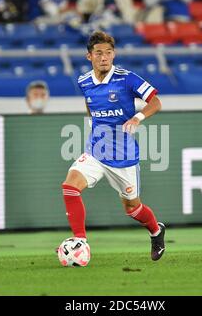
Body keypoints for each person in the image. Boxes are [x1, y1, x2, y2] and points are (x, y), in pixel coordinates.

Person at [61, 31, 166, 261]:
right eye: (99, 53)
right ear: (89, 56)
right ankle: (80, 240)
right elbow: (90, 106)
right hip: (96, 151)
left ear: (114, 54)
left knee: (133, 209)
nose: (104, 57)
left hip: (124, 156)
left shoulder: (126, 78)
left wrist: (137, 118)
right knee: (70, 187)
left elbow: (156, 101)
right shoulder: (83, 81)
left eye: (108, 53)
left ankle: (156, 232)